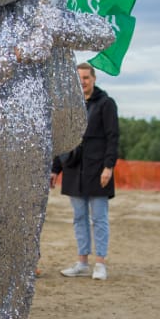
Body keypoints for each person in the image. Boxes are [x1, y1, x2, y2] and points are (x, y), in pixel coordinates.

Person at [53, 62, 120, 281]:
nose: (82, 82)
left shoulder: (106, 104)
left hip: (98, 170)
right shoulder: (70, 106)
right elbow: (62, 140)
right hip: (74, 171)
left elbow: (113, 137)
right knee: (79, 217)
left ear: (93, 79)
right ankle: (82, 262)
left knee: (99, 218)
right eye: (79, 78)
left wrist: (108, 166)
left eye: (86, 78)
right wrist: (55, 169)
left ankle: (100, 263)